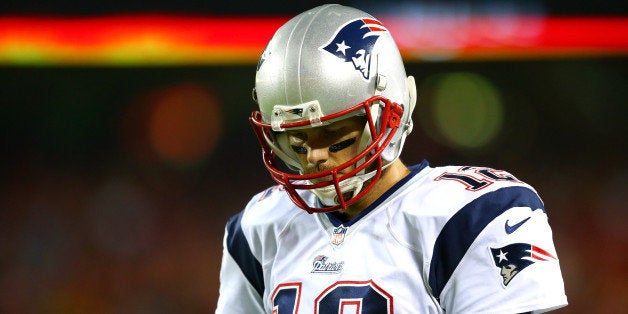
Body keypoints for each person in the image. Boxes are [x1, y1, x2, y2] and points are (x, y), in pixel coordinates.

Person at [216, 4, 567, 313]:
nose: (316, 158)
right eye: (298, 140)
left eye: (338, 137)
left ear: (393, 110)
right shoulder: (258, 228)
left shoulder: (474, 217)